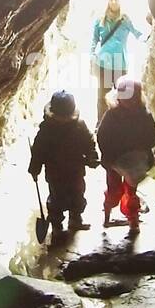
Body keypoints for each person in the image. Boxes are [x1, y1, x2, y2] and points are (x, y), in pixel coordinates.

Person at [28, 90, 100, 238]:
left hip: (76, 170)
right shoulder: (46, 130)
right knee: (56, 199)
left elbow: (89, 142)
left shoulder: (79, 126)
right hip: (55, 172)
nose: (63, 120)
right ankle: (56, 225)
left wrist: (92, 156)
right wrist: (35, 167)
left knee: (78, 194)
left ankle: (75, 219)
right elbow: (38, 151)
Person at [96, 76, 155, 231]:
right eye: (126, 99)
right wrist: (110, 156)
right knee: (114, 190)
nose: (130, 102)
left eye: (133, 99)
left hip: (135, 162)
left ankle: (133, 219)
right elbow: (102, 137)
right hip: (115, 161)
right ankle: (108, 213)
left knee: (131, 192)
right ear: (119, 97)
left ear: (138, 98)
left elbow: (152, 137)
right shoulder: (112, 115)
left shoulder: (144, 115)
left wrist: (141, 149)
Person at [91, 0, 145, 121]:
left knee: (123, 96)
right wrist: (92, 53)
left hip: (120, 64)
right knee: (102, 96)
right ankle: (101, 122)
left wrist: (147, 38)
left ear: (120, 2)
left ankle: (121, 122)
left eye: (116, 0)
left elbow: (137, 33)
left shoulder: (125, 20)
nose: (114, 2)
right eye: (111, 0)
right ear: (108, 2)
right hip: (103, 64)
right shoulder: (100, 20)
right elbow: (94, 39)